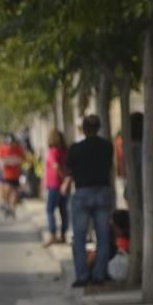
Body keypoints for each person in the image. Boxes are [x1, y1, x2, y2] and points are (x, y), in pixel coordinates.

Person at [66, 115, 114, 287]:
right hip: (102, 191)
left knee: (79, 237)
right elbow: (109, 166)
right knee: (103, 236)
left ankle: (82, 275)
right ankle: (100, 274)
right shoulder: (107, 146)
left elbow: (69, 169)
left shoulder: (76, 148)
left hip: (82, 193)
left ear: (84, 129)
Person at [44, 129, 69, 245]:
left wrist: (61, 176)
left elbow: (55, 166)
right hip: (63, 185)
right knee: (63, 211)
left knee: (50, 210)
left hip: (54, 184)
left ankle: (53, 234)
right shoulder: (65, 151)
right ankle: (63, 234)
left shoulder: (52, 151)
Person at [0, 134, 25, 218]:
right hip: (7, 174)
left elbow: (22, 159)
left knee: (15, 193)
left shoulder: (18, 149)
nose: (11, 145)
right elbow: (0, 160)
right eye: (9, 143)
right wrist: (7, 162)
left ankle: (12, 209)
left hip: (17, 174)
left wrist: (15, 161)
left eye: (12, 143)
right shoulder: (3, 149)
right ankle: (6, 204)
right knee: (7, 190)